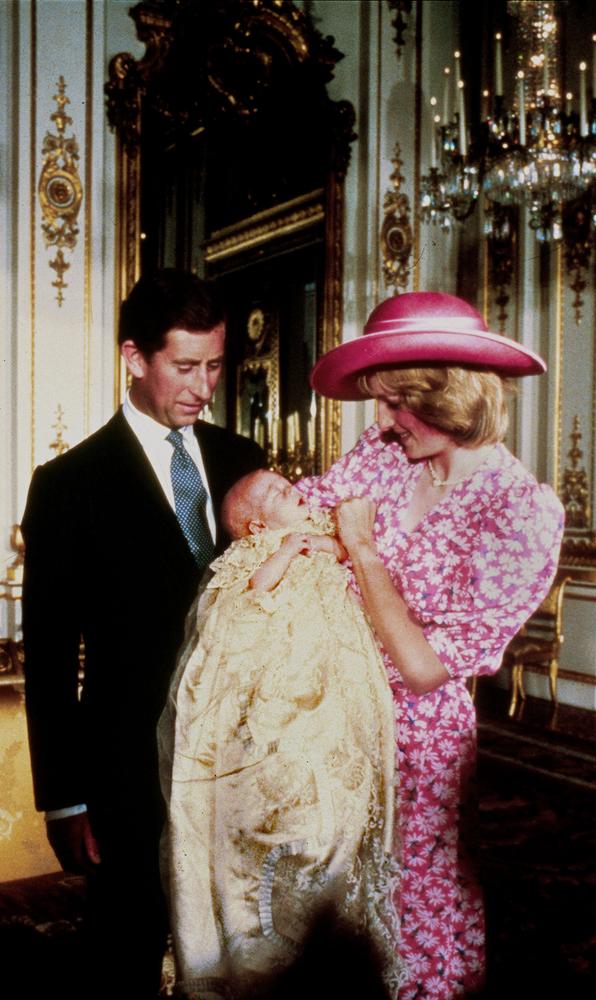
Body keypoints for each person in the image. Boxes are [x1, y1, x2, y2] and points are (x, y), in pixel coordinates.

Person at [298, 291, 565, 999]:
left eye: (397, 403)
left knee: (409, 916)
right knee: (327, 916)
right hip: (334, 719)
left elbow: (421, 668)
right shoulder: (386, 456)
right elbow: (300, 512)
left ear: (449, 396)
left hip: (418, 746)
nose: (382, 420)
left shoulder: (520, 511)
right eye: (379, 402)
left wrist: (358, 547)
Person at [21, 269, 265, 999]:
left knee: (239, 941)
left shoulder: (241, 460)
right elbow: (51, 657)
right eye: (185, 366)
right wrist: (63, 800)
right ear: (135, 357)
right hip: (127, 771)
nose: (204, 386)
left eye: (216, 365)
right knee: (128, 945)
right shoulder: (68, 484)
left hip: (242, 758)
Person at [158, 469, 399, 1000]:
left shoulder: (319, 524)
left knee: (338, 766)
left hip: (333, 665)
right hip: (280, 670)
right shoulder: (257, 550)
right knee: (283, 754)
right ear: (256, 525)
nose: (287, 485)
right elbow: (253, 591)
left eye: (282, 479)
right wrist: (288, 551)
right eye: (270, 492)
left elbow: (344, 551)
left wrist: (329, 544)